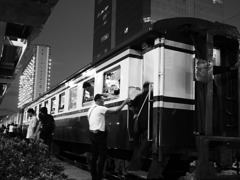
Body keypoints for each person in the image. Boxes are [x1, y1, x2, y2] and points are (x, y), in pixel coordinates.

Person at [88, 94, 130, 180]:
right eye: (103, 100)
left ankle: (94, 176)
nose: (104, 101)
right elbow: (116, 110)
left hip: (92, 134)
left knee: (94, 156)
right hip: (99, 135)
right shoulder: (100, 108)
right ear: (98, 100)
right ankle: (99, 177)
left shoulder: (90, 110)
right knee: (102, 156)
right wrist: (124, 102)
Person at [128, 82, 153, 171]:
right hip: (148, 122)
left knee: (137, 144)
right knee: (144, 144)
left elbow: (131, 106)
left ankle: (134, 165)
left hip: (138, 122)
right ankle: (136, 163)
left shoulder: (139, 96)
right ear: (149, 87)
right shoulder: (152, 95)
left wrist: (135, 115)